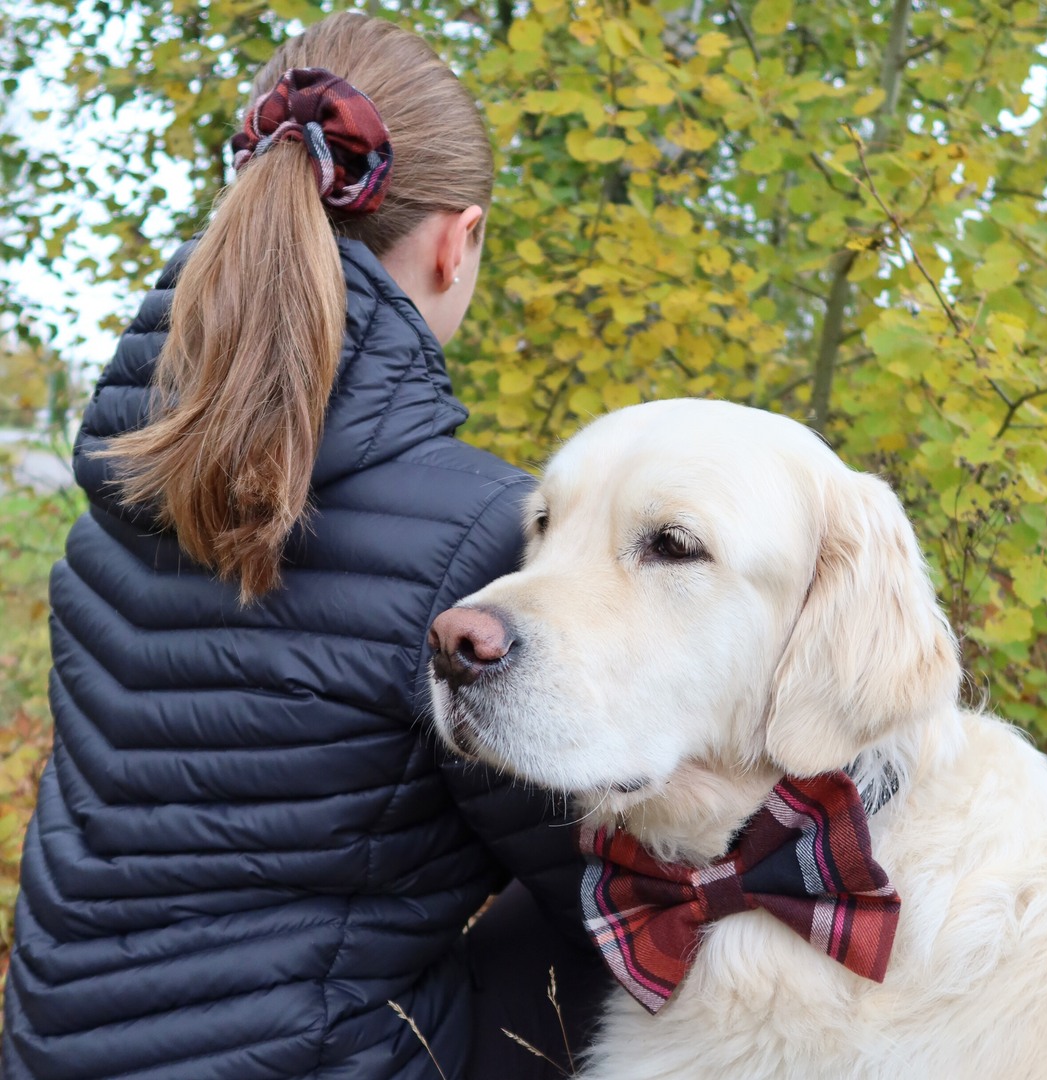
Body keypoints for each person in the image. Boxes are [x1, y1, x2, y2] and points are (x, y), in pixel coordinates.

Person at [0, 14, 610, 1080]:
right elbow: (599, 883)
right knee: (633, 927)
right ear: (454, 241)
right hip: (308, 1061)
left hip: (53, 1048)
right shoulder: (478, 532)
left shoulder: (128, 465)